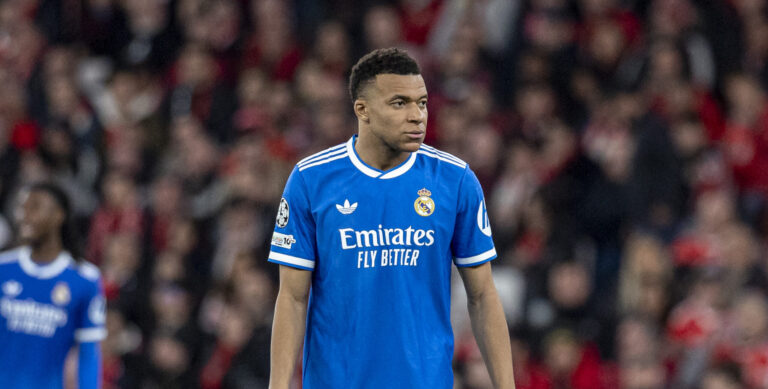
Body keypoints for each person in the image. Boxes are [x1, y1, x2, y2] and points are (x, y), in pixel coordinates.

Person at [268, 48, 515, 388]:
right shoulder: (311, 180)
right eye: (400, 103)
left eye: (423, 103)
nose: (417, 115)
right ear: (362, 110)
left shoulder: (455, 181)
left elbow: (483, 295)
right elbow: (293, 298)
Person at [0, 182, 106, 388]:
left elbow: (88, 353)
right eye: (23, 208)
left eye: (35, 207)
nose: (25, 216)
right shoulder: (3, 268)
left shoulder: (85, 279)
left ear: (59, 215)